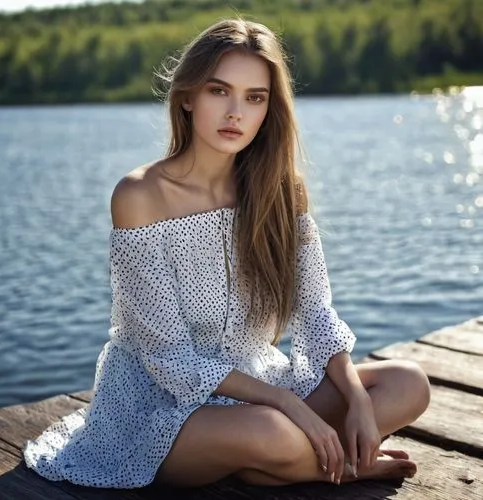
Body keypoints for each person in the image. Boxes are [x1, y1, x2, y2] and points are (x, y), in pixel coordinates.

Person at [22, 18, 430, 489]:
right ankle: (331, 467)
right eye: (220, 91)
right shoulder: (140, 197)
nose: (235, 112)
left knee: (408, 383)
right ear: (189, 96)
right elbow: (168, 358)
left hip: (262, 385)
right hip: (162, 407)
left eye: (254, 97)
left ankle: (284, 461)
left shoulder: (281, 193)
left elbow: (315, 312)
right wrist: (288, 404)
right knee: (271, 432)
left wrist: (356, 398)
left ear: (268, 111)